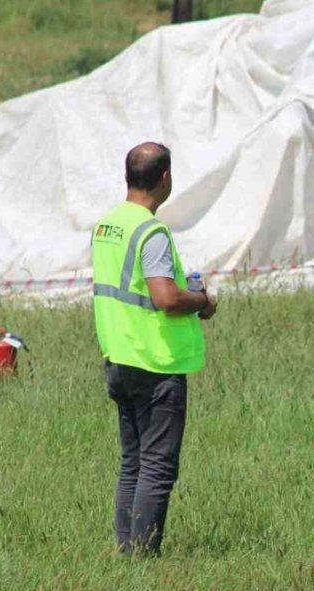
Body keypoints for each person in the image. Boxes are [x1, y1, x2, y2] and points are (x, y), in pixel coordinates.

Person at [91, 142, 218, 555]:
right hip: (154, 362)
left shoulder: (108, 225)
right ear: (165, 178)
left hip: (120, 355)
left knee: (133, 462)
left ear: (127, 175)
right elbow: (165, 297)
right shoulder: (151, 231)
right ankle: (143, 557)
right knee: (158, 466)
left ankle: (127, 551)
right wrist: (201, 301)